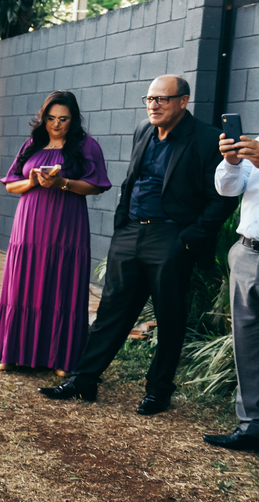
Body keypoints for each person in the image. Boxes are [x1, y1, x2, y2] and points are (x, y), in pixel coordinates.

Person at [42, 75, 237, 415]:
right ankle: (84, 380)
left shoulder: (207, 139)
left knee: (169, 317)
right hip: (131, 232)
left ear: (183, 101)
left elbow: (222, 198)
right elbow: (131, 182)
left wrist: (188, 239)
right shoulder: (143, 131)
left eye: (162, 99)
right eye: (149, 99)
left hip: (171, 237)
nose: (153, 105)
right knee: (111, 311)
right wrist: (122, 224)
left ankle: (158, 392)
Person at [0, 91, 111, 374]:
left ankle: (60, 357)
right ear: (43, 118)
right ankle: (13, 351)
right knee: (23, 280)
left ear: (73, 119)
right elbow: (11, 184)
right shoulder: (32, 144)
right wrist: (32, 181)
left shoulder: (86, 146)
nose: (56, 124)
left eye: (63, 119)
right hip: (29, 222)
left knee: (61, 280)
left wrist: (62, 183)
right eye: (51, 118)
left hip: (66, 222)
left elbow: (97, 185)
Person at [205, 130, 259, 451]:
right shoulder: (256, 144)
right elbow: (227, 188)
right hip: (248, 253)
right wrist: (232, 162)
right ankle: (251, 425)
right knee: (246, 343)